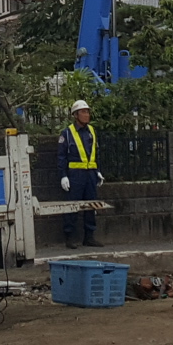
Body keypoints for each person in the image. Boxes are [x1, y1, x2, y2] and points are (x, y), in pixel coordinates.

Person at [57, 99, 103, 249]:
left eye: (88, 111)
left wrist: (97, 171)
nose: (87, 114)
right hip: (75, 175)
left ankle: (89, 237)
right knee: (73, 206)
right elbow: (61, 156)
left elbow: (95, 153)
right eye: (83, 112)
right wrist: (63, 175)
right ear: (75, 115)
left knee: (91, 205)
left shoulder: (91, 131)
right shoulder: (67, 133)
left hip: (90, 174)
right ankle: (69, 237)